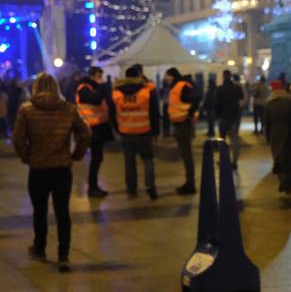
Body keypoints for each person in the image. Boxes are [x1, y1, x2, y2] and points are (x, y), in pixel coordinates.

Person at [13, 73, 91, 272]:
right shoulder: (68, 109)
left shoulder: (26, 110)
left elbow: (18, 139)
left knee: (39, 211)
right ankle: (63, 255)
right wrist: (76, 155)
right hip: (62, 168)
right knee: (62, 212)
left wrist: (26, 157)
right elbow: (85, 133)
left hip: (38, 169)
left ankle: (40, 249)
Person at [113, 65, 161, 199]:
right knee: (147, 160)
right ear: (139, 76)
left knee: (129, 161)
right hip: (144, 131)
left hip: (126, 132)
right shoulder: (147, 91)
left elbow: (113, 113)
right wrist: (156, 131)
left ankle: (131, 188)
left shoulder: (117, 92)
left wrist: (118, 129)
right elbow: (154, 113)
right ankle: (151, 187)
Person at [76, 66, 115, 197]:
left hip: (98, 128)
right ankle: (92, 187)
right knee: (96, 158)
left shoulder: (91, 87)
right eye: (98, 76)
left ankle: (94, 186)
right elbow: (96, 100)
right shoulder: (84, 88)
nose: (101, 79)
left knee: (98, 158)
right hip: (91, 129)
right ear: (91, 76)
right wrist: (104, 87)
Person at [264, 79, 291, 194]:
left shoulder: (269, 104)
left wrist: (268, 138)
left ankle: (282, 181)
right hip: (289, 134)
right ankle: (288, 183)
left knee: (278, 158)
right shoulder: (289, 102)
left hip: (275, 135)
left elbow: (266, 124)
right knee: (289, 159)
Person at [166, 68, 201, 195]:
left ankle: (190, 184)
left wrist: (189, 114)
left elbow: (196, 98)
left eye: (168, 76)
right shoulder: (178, 86)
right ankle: (189, 182)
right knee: (186, 155)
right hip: (180, 124)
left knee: (187, 156)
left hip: (183, 124)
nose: (167, 79)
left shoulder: (181, 86)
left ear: (172, 76)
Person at [215, 70, 245, 170]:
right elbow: (241, 99)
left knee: (222, 140)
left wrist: (217, 115)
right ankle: (234, 161)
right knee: (234, 140)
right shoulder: (236, 88)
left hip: (223, 117)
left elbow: (216, 104)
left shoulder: (220, 89)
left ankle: (223, 160)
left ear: (223, 77)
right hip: (234, 117)